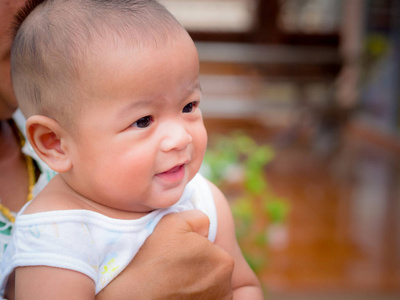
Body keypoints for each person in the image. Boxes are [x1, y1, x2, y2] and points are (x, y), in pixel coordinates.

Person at [1, 0, 264, 299]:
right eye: (142, 121)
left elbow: (243, 285)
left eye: (188, 106)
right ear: (55, 144)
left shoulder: (203, 199)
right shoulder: (54, 236)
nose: (180, 138)